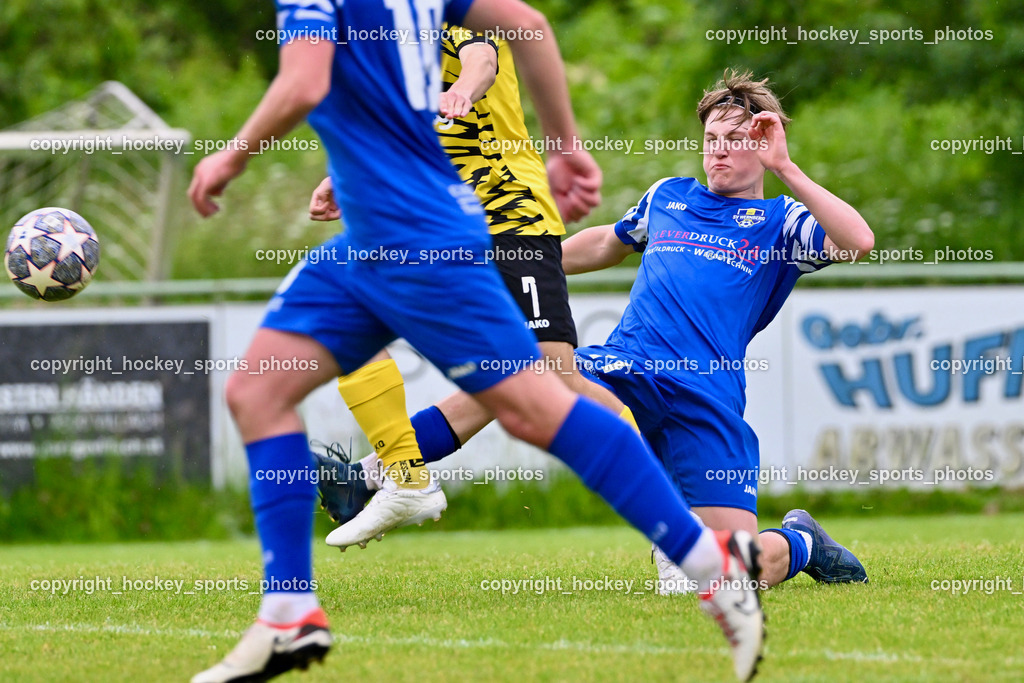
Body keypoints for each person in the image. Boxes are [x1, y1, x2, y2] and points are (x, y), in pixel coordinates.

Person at [187, 3, 765, 683]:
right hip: (390, 228)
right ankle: (293, 605)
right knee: (258, 388)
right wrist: (566, 142)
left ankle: (704, 563)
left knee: (539, 399)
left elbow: (307, 84)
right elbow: (528, 28)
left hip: (424, 235)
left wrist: (230, 155)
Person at [347, 70, 873, 594]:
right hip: (626, 365)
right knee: (519, 374)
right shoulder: (670, 196)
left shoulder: (780, 222)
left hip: (705, 396)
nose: (717, 153)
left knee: (727, 571)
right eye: (711, 140)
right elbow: (606, 242)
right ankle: (377, 468)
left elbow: (856, 241)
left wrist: (786, 168)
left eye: (734, 141)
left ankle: (801, 541)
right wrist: (523, 259)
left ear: (763, 144)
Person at [309, 23, 639, 550]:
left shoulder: (455, 17)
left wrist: (464, 88)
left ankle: (679, 518)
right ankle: (402, 473)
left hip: (511, 218)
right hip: (446, 225)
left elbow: (482, 58)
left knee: (551, 381)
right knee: (340, 309)